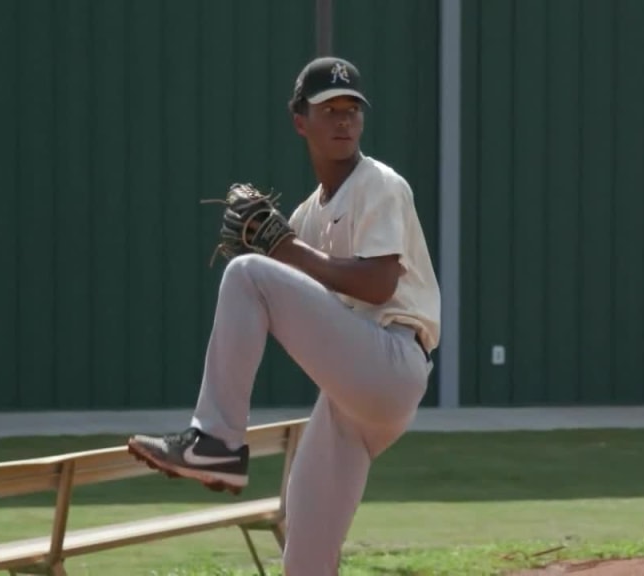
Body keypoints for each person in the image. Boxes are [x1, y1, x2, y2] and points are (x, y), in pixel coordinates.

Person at [126, 56, 440, 575]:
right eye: (329, 109)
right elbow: (297, 286)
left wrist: (277, 254)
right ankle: (220, 447)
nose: (343, 120)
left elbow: (379, 283)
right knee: (307, 539)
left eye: (352, 110)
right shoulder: (305, 216)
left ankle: (217, 442)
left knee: (248, 274)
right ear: (300, 121)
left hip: (393, 360)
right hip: (352, 399)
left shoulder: (379, 183)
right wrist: (277, 252)